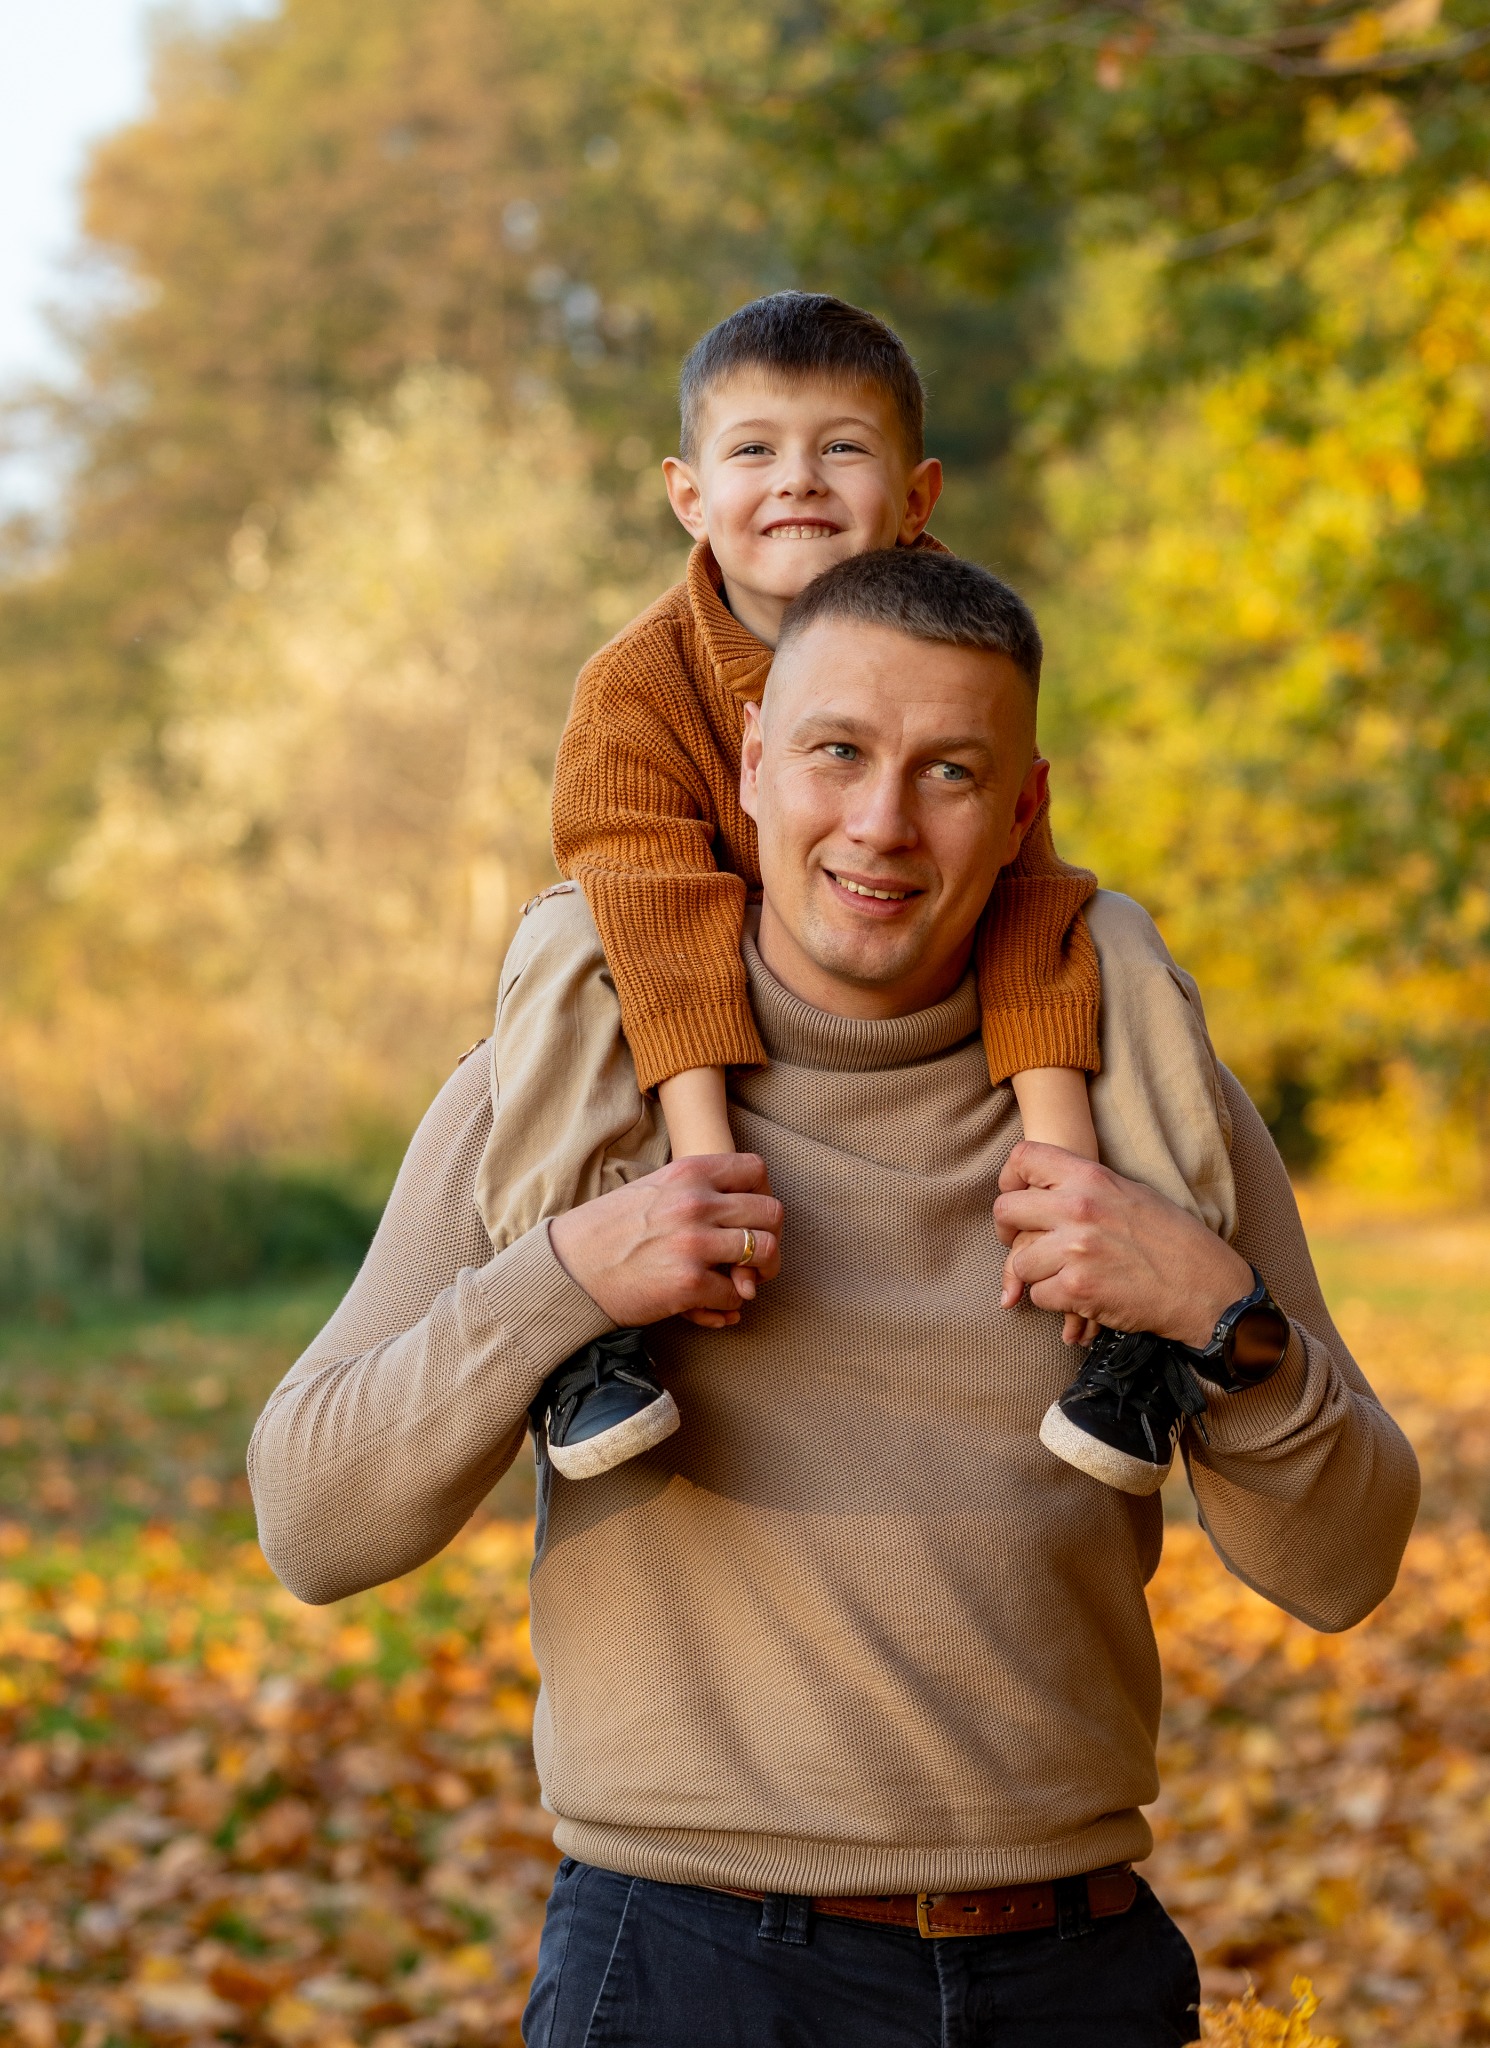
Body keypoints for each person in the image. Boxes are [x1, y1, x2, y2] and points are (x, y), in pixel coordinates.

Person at [249, 547, 1419, 2048]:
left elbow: (1344, 1569)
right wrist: (562, 1280)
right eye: (836, 753)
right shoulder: (567, 1087)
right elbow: (312, 1520)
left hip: (1078, 1971)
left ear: (1022, 808)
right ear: (749, 764)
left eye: (948, 772)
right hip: (690, 1973)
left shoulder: (1139, 1097)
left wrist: (1217, 1311)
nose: (880, 823)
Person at [524, 288, 1236, 1478]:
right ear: (687, 495)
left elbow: (1021, 900)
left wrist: (1060, 1164)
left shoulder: (965, 648)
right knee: (562, 939)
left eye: (841, 449)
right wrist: (704, 1166)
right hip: (703, 996)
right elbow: (656, 917)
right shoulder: (635, 688)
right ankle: (583, 1338)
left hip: (915, 988)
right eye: (755, 450)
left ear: (914, 499)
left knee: (1110, 930)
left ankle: (1141, 1329)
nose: (797, 481)